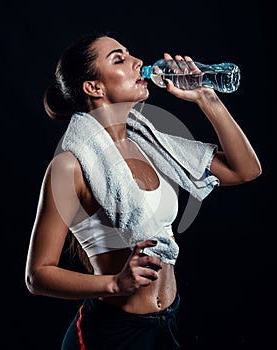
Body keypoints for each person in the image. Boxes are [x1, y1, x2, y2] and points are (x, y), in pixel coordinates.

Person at [25, 31, 262, 350]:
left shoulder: (149, 146)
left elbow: (245, 169)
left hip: (165, 325)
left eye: (130, 54)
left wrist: (207, 97)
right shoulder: (70, 166)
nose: (139, 62)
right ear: (94, 87)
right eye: (119, 59)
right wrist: (114, 283)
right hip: (111, 335)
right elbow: (37, 275)